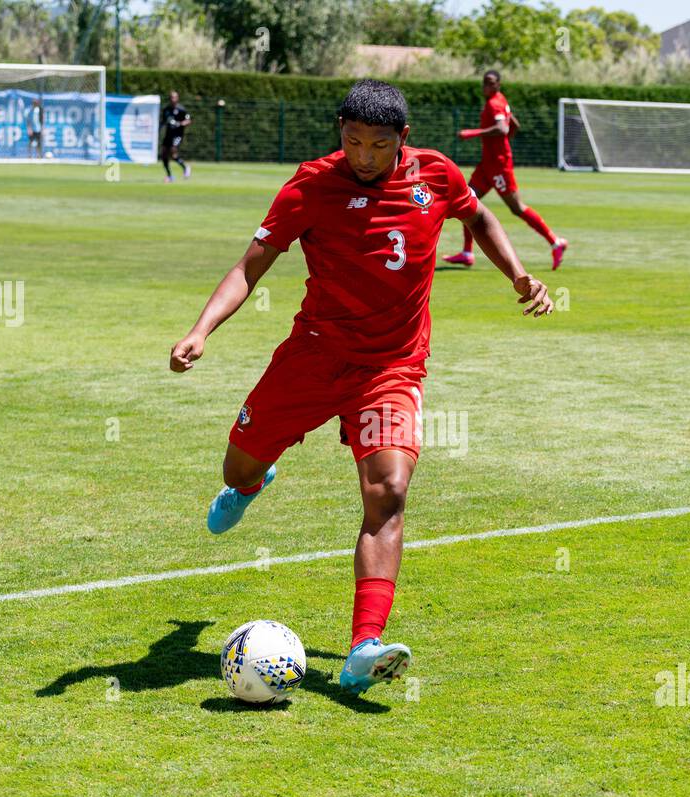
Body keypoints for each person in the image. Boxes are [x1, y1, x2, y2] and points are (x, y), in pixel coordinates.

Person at [169, 80, 554, 696]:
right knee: (238, 462)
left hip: (392, 367)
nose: (365, 157)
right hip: (313, 359)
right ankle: (249, 482)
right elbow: (250, 265)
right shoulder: (312, 184)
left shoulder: (437, 175)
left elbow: (477, 216)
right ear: (339, 133)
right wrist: (201, 330)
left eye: (378, 145)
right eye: (352, 142)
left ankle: (363, 648)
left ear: (403, 139)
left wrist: (518, 274)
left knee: (389, 492)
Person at [444, 70, 567, 270]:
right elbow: (513, 125)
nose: (486, 86)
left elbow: (503, 128)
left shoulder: (494, 103)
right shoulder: (499, 100)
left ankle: (556, 242)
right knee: (466, 200)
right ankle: (467, 253)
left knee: (516, 207)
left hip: (499, 166)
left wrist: (472, 133)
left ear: (498, 85)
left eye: (490, 83)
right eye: (484, 82)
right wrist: (501, 144)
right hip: (488, 164)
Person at [160, 90, 192, 182]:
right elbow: (163, 121)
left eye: (174, 97)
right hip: (168, 134)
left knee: (173, 152)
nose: (173, 99)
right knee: (164, 155)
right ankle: (170, 176)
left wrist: (180, 123)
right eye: (171, 97)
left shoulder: (182, 110)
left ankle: (186, 167)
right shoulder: (166, 110)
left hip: (177, 135)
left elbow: (188, 120)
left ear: (177, 98)